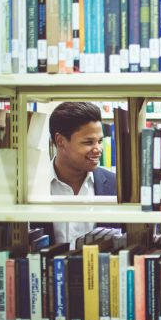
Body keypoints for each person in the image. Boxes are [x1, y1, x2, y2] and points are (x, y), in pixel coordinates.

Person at [45, 101, 116, 248]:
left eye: (100, 141)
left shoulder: (115, 184)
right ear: (61, 141)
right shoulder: (32, 184)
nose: (98, 149)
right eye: (88, 142)